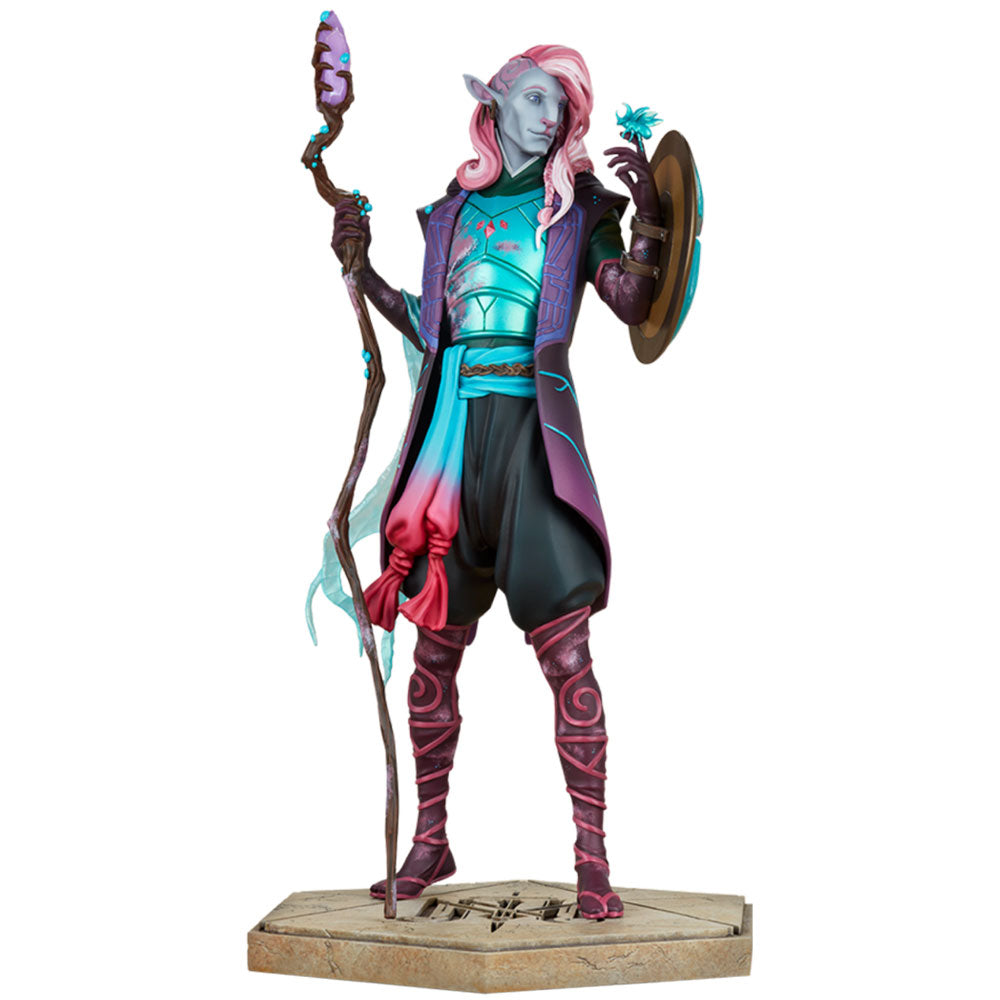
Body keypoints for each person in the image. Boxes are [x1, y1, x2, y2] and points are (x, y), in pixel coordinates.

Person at [331, 44, 663, 921]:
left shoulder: (579, 210)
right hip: (450, 442)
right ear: (496, 101)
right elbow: (430, 325)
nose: (552, 117)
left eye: (563, 105)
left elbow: (631, 300)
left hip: (530, 444)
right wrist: (362, 271)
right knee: (434, 650)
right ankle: (430, 840)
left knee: (568, 655)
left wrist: (653, 222)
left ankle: (592, 860)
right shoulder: (452, 213)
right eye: (537, 98)